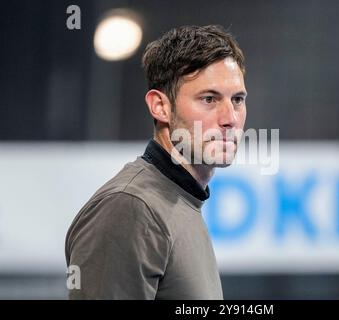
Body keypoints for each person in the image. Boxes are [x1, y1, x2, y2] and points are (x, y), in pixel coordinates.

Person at [65, 25, 247, 299]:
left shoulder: (181, 200)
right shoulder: (129, 207)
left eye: (238, 99)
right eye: (209, 99)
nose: (230, 118)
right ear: (160, 106)